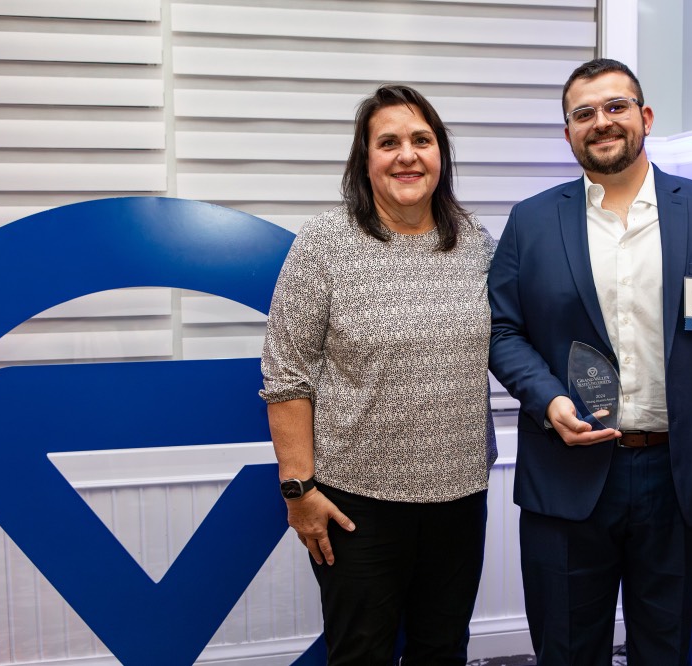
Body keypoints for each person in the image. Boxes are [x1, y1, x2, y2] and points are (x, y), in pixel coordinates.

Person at [488, 58, 692, 665]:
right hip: (565, 472)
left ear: (645, 117)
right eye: (583, 113)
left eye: (615, 106)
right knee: (565, 649)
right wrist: (548, 397)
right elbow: (502, 330)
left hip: (679, 474)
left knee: (669, 649)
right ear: (567, 133)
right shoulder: (531, 220)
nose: (601, 122)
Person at [260, 84, 497, 665]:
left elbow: (515, 341)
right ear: (364, 160)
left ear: (441, 154)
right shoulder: (326, 242)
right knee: (361, 653)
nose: (407, 155)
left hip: (459, 496)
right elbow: (286, 372)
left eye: (422, 139)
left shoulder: (475, 243)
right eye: (387, 142)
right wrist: (299, 491)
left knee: (442, 651)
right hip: (355, 505)